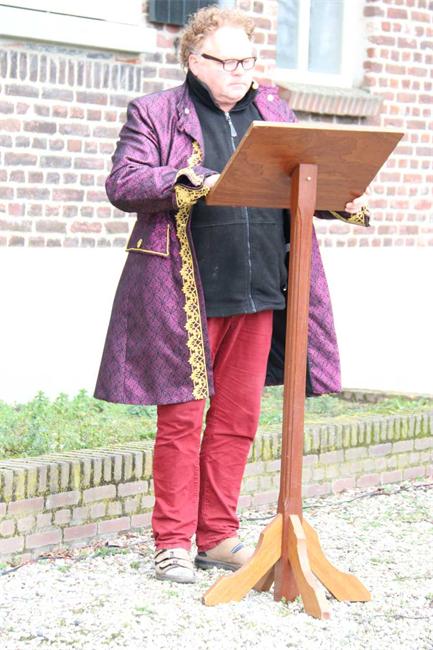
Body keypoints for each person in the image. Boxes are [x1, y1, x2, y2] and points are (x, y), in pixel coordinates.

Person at [94, 6, 369, 584]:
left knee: (238, 420)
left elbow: (301, 180)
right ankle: (172, 541)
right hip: (183, 292)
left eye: (248, 61)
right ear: (195, 60)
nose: (241, 72)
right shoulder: (156, 112)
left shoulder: (273, 111)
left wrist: (339, 196)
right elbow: (124, 181)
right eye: (228, 62)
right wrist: (192, 178)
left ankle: (216, 537)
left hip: (261, 286)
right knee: (181, 421)